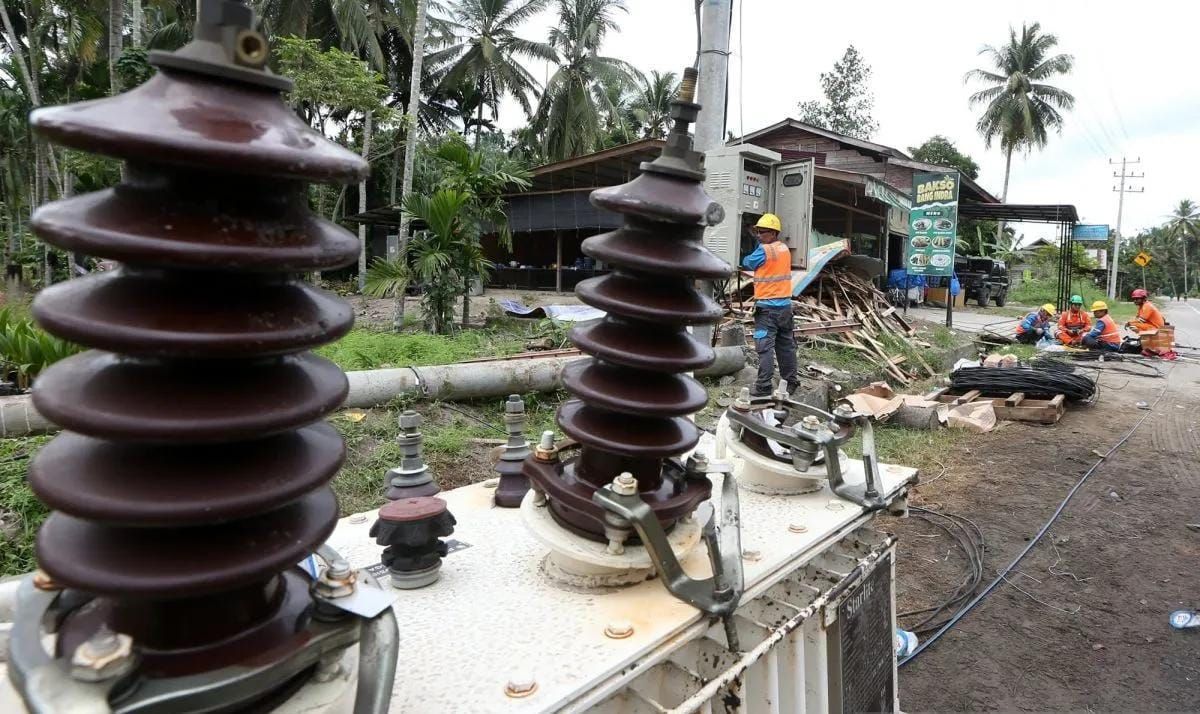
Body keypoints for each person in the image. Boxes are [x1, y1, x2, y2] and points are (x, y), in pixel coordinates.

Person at [742, 213, 798, 397]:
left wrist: (756, 246)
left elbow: (747, 263)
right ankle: (790, 383)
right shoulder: (784, 249)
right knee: (786, 346)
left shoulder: (764, 250)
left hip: (767, 309)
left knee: (764, 347)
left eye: (762, 232)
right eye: (757, 232)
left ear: (773, 233)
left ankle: (764, 386)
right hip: (785, 307)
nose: (759, 235)